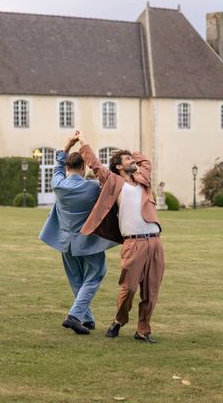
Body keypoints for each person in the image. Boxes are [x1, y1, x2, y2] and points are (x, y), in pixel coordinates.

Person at [76, 131, 165, 343]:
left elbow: (146, 162)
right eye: (127, 160)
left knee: (151, 292)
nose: (133, 161)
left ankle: (143, 330)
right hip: (133, 243)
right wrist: (83, 143)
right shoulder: (114, 181)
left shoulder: (142, 180)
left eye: (132, 159)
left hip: (155, 241)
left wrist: (128, 153)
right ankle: (118, 320)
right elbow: (96, 166)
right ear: (118, 166)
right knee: (129, 288)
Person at [39, 134, 118, 335]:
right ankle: (74, 316)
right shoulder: (92, 187)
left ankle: (87, 319)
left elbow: (57, 166)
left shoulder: (58, 185)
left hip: (66, 242)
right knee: (96, 274)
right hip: (89, 242)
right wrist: (84, 144)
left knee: (76, 278)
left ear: (67, 169)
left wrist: (67, 144)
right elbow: (103, 176)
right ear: (83, 168)